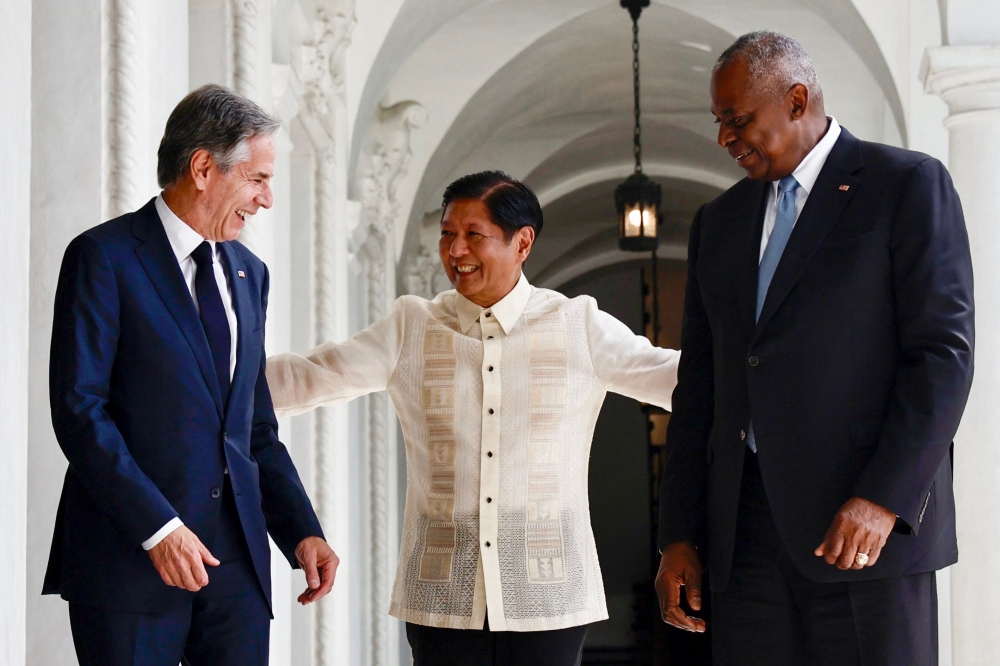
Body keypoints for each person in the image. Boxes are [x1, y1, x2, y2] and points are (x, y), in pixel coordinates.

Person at [266, 170, 680, 666]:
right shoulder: (411, 326)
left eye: (473, 235)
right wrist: (206, 381)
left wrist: (770, 379)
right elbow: (311, 376)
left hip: (547, 599)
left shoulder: (578, 325)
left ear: (522, 242)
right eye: (447, 234)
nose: (455, 251)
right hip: (442, 600)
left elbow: (675, 378)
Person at [654, 31, 974, 665]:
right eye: (719, 122)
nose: (725, 139)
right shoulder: (718, 224)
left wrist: (884, 498)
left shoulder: (905, 185)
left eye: (737, 119)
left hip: (862, 534)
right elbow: (701, 389)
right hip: (743, 543)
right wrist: (681, 536)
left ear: (796, 99)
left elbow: (942, 356)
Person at [44, 84, 339, 666]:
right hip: (130, 558)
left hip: (238, 569)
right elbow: (80, 410)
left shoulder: (251, 274)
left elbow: (254, 427)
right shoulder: (103, 257)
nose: (266, 199)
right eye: (257, 179)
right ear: (204, 168)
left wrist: (300, 529)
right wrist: (158, 528)